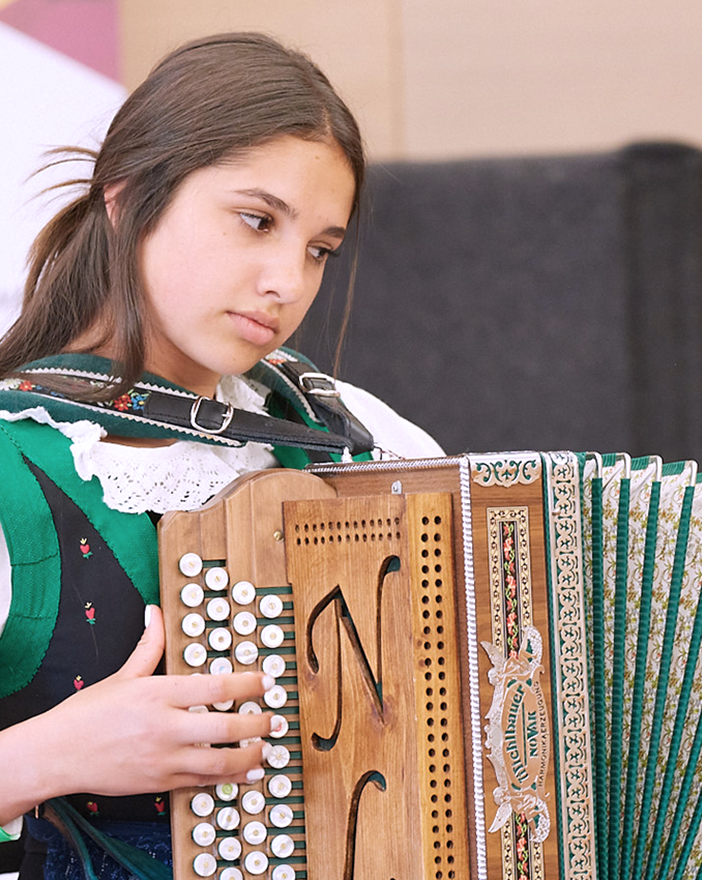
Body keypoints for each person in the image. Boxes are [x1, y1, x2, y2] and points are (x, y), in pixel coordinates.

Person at [0, 32, 441, 880]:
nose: (288, 280)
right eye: (256, 220)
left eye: (320, 250)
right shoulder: (14, 468)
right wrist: (45, 756)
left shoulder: (357, 433)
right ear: (130, 197)